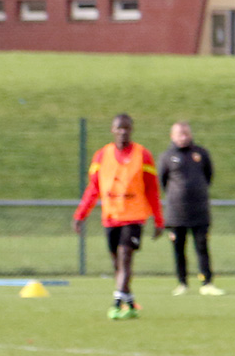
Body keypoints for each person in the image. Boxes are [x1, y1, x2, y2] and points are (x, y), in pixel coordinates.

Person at [73, 113, 163, 319]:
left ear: (131, 130)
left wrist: (159, 219)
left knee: (125, 258)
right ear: (113, 130)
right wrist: (80, 215)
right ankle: (130, 303)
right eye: (119, 128)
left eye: (127, 128)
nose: (123, 132)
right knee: (117, 264)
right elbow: (93, 189)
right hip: (111, 217)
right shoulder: (102, 156)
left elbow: (152, 190)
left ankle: (116, 303)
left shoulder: (143, 155)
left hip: (134, 217)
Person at [159, 121, 224, 296]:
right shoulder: (167, 156)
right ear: (172, 136)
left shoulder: (200, 153)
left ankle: (207, 282)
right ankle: (182, 283)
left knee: (202, 247)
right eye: (180, 133)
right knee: (179, 249)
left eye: (187, 133)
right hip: (176, 213)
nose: (184, 136)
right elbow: (163, 181)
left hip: (199, 211)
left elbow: (208, 175)